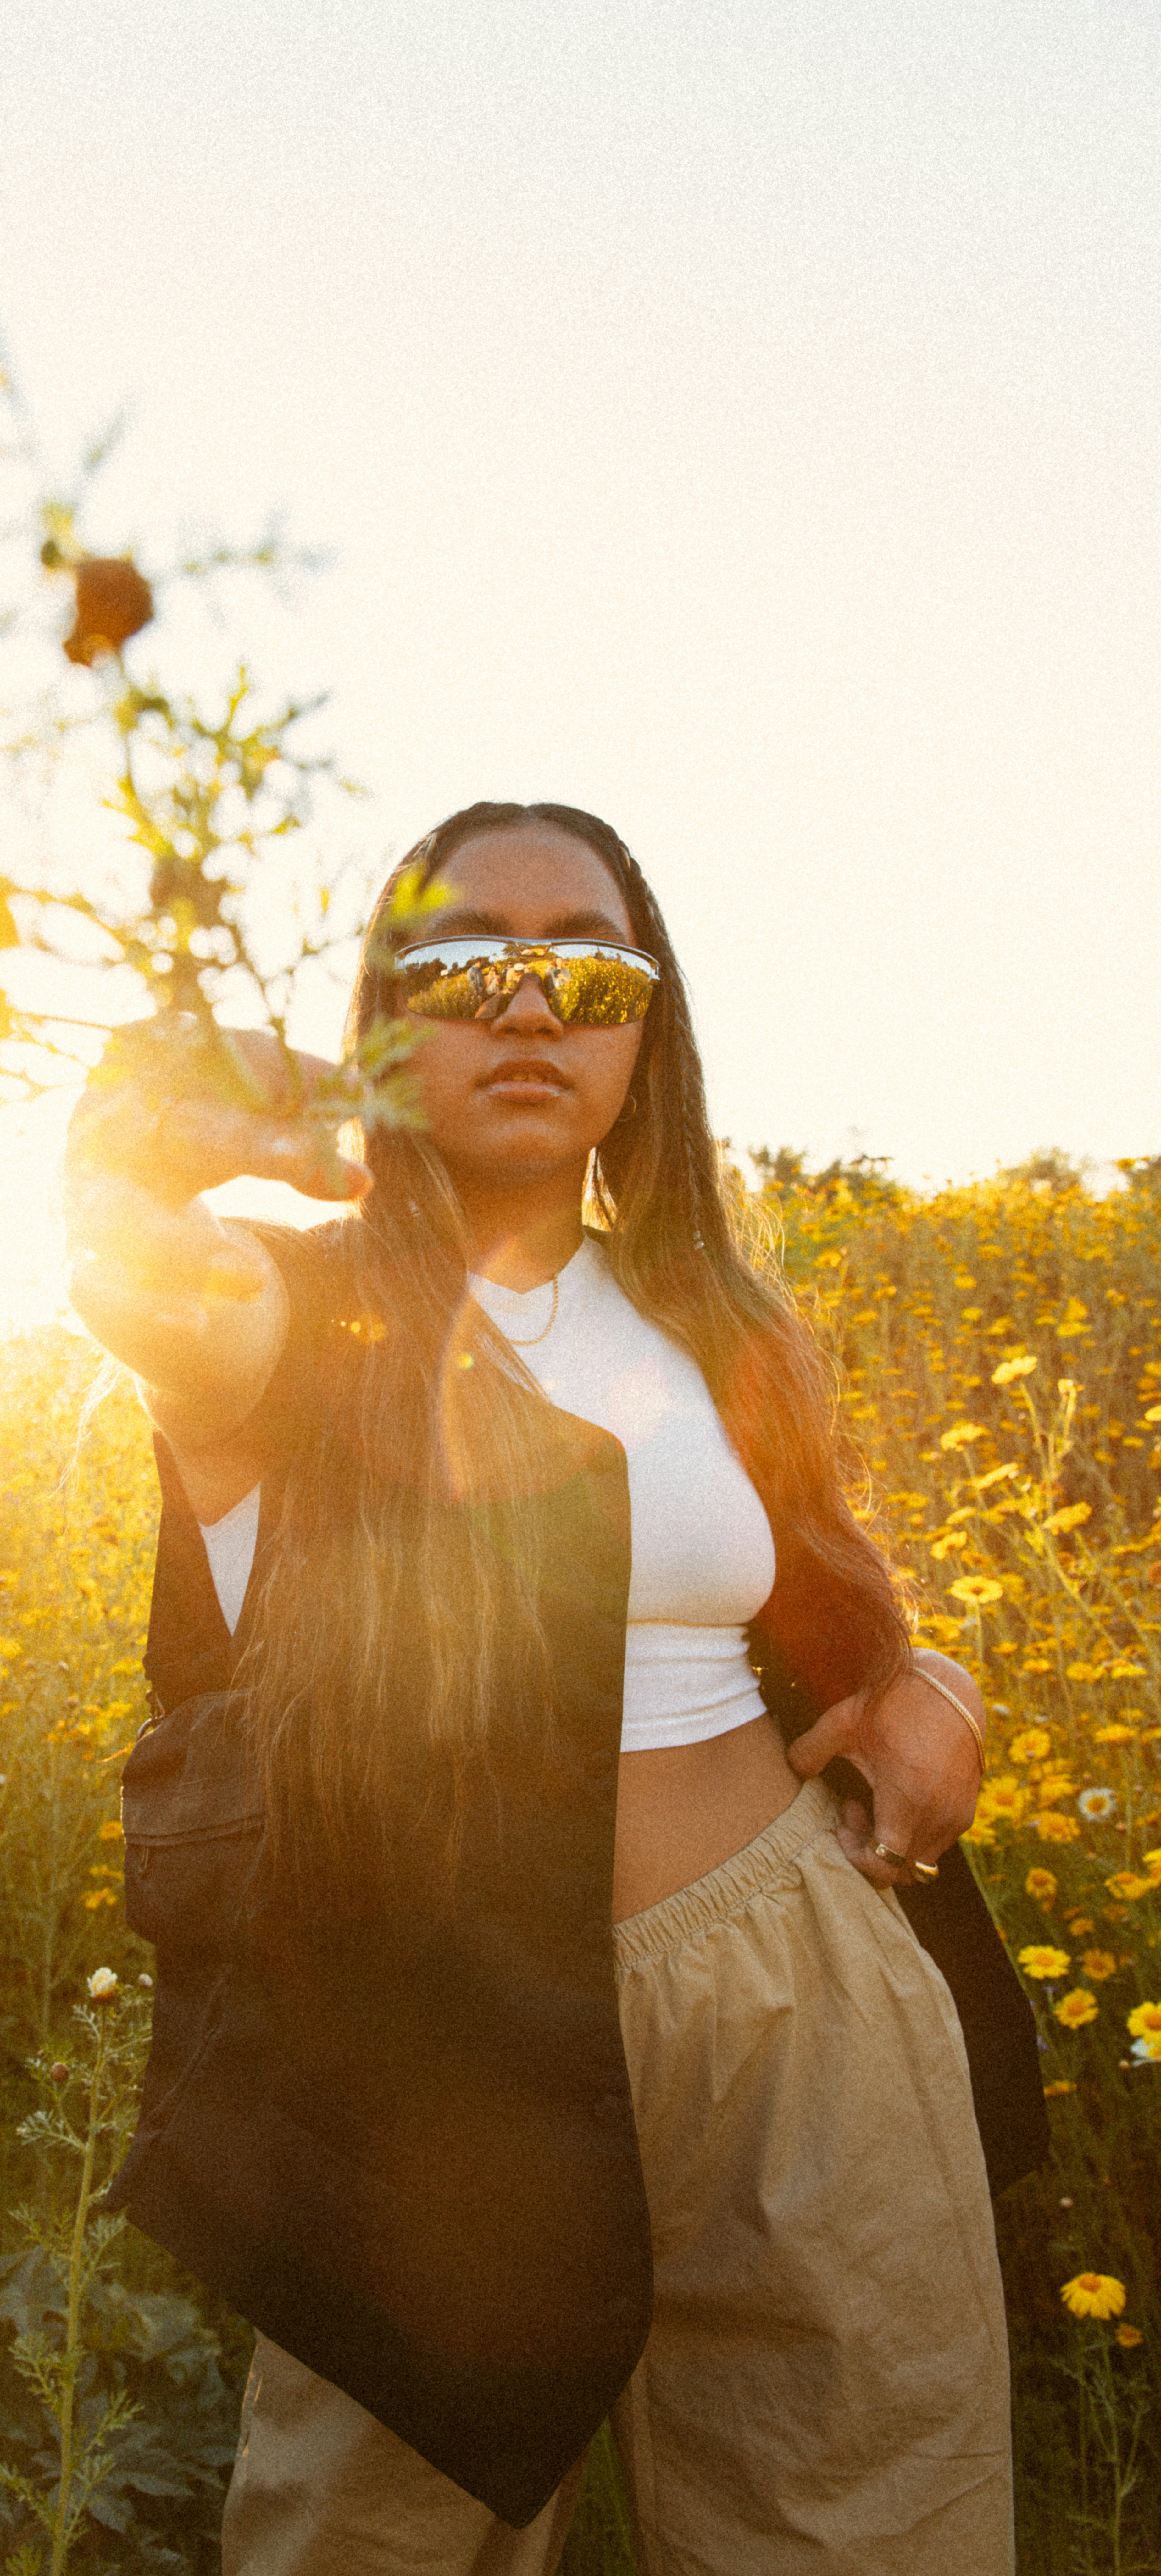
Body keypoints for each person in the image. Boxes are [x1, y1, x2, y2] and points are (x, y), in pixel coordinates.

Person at [64, 803, 1044, 2576]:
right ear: (384, 1016)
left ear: (642, 1028)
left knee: (857, 2529)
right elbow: (138, 1277)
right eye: (462, 969)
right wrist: (132, 1136)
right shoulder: (287, 1314)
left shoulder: (715, 1320)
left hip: (791, 1987)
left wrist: (935, 1681)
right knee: (369, 2543)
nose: (528, 1010)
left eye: (583, 971)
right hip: (420, 2042)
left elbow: (816, 1601)